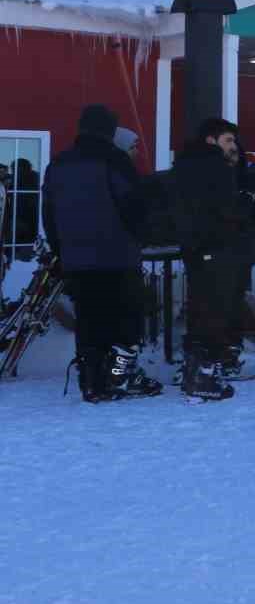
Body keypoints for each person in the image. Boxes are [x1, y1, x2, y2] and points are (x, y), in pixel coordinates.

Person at [41, 105, 162, 402]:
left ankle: (91, 381)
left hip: (77, 260)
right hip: (118, 257)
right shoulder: (116, 160)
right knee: (125, 321)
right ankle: (120, 377)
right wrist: (142, 237)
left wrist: (62, 250)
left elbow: (49, 214)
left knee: (90, 323)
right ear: (109, 130)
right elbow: (133, 207)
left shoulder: (58, 164)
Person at [172, 118, 255, 401]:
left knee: (202, 310)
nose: (234, 145)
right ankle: (203, 377)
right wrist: (246, 204)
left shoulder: (185, 165)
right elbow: (226, 210)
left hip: (197, 248)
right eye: (228, 140)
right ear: (211, 140)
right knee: (213, 312)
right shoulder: (213, 167)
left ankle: (197, 370)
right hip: (217, 247)